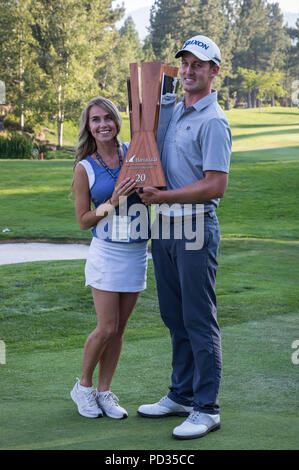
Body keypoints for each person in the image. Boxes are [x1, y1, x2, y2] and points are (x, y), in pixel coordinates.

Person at [137, 35, 232, 439]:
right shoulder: (173, 109)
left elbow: (215, 186)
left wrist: (163, 196)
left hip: (194, 224)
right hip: (164, 226)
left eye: (199, 64)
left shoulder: (214, 121)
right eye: (186, 63)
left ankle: (206, 408)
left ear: (214, 72)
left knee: (197, 317)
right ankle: (181, 393)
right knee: (173, 315)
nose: (190, 70)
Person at [70, 97, 148, 419]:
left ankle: (104, 391)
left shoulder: (135, 153)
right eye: (95, 120)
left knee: (120, 329)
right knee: (106, 327)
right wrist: (113, 202)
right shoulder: (84, 167)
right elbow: (83, 220)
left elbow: (153, 186)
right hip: (106, 252)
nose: (103, 124)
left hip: (137, 251)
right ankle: (83, 387)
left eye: (108, 118)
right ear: (89, 127)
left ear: (117, 121)